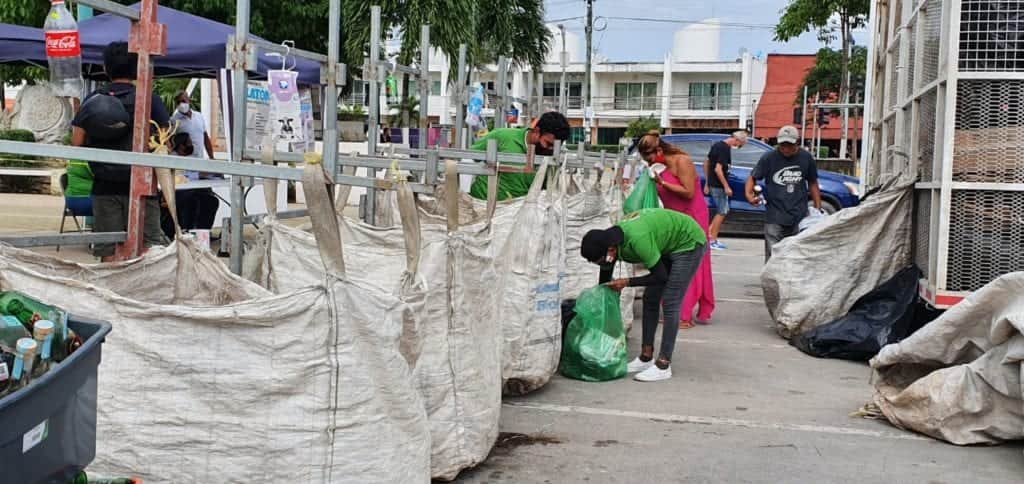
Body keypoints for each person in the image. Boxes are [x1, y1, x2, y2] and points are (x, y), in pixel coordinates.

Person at [581, 208, 708, 382]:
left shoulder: (638, 240)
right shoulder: (611, 243)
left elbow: (660, 276)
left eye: (602, 260)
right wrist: (603, 297)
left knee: (670, 301)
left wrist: (627, 282)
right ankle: (645, 357)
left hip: (688, 243)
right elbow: (605, 275)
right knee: (650, 299)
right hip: (667, 244)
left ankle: (664, 364)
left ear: (610, 249)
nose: (603, 264)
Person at [71, 41, 169, 261]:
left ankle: (111, 293)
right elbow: (165, 144)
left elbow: (76, 142)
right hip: (143, 188)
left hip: (105, 187)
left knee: (110, 253)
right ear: (137, 68)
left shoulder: (93, 101)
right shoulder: (149, 100)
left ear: (105, 69)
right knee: (148, 252)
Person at [635, 131, 715, 329]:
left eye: (651, 158)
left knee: (688, 263)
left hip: (692, 215)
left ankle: (684, 314)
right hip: (673, 217)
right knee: (671, 262)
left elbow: (689, 193)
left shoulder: (682, 161)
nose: (650, 162)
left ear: (660, 150)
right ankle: (674, 308)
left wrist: (663, 183)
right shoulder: (656, 168)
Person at [745, 125, 822, 262]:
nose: (785, 149)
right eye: (782, 145)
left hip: (799, 213)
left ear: (796, 143)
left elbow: (813, 183)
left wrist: (817, 207)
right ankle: (772, 280)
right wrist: (749, 195)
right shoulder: (769, 158)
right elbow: (753, 177)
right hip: (775, 213)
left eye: (789, 145)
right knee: (774, 253)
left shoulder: (806, 158)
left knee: (795, 253)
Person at [468, 111, 570, 200]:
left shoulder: (552, 158)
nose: (550, 150)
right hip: (482, 202)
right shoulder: (502, 136)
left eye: (556, 147)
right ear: (537, 131)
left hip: (517, 210)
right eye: (548, 144)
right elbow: (471, 156)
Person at [160, 133, 221, 238]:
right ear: (181, 146)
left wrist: (211, 174)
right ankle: (186, 233)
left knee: (211, 201)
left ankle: (203, 233)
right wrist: (198, 174)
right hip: (176, 192)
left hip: (191, 189)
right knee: (191, 201)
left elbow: (194, 172)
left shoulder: (190, 157)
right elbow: (181, 176)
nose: (191, 145)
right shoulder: (173, 158)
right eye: (189, 143)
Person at [703, 130, 748, 250]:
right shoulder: (725, 149)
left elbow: (706, 162)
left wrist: (707, 182)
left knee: (722, 209)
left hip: (713, 183)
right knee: (722, 211)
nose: (738, 147)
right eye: (740, 145)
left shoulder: (716, 145)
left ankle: (708, 235)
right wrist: (726, 186)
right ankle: (713, 239)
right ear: (737, 140)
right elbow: (718, 169)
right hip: (718, 185)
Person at [169, 91, 215, 164]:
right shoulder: (173, 120)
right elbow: (170, 141)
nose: (181, 104)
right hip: (183, 164)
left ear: (189, 100)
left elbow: (205, 137)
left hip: (199, 162)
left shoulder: (199, 116)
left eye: (183, 101)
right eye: (178, 102)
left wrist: (211, 157)